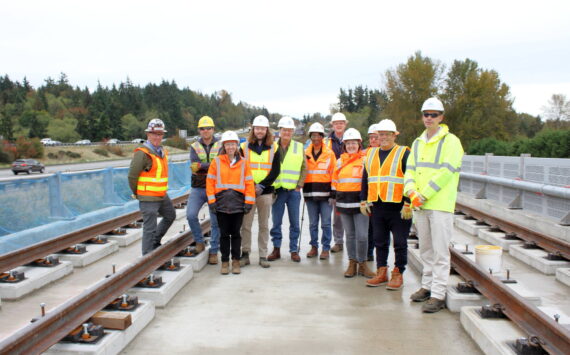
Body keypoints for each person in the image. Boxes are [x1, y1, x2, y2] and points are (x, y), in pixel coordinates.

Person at [405, 97, 464, 313]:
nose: (429, 118)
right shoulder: (417, 142)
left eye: (433, 114)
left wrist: (424, 193)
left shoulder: (452, 142)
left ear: (441, 117)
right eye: (426, 114)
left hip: (439, 205)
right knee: (427, 249)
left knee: (440, 251)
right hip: (420, 204)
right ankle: (427, 287)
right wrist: (411, 191)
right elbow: (410, 169)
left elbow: (446, 172)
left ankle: (438, 294)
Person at [361, 119, 412, 290]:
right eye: (380, 134)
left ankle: (398, 273)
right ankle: (381, 272)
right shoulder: (371, 155)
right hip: (378, 206)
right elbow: (365, 180)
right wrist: (363, 200)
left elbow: (411, 179)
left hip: (398, 208)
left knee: (399, 242)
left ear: (394, 135)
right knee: (379, 241)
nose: (383, 138)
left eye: (387, 134)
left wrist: (408, 202)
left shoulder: (403, 153)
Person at [206, 131, 255, 275]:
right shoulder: (216, 162)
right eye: (228, 144)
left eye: (233, 144)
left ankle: (235, 261)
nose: (230, 147)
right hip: (221, 204)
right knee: (224, 234)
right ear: (224, 146)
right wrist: (212, 201)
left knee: (236, 234)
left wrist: (249, 202)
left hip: (238, 204)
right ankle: (225, 262)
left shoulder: (244, 163)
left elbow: (249, 183)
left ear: (237, 146)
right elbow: (210, 182)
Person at [128, 118, 176, 255]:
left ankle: (155, 242)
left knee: (170, 215)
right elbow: (132, 176)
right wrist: (138, 193)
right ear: (148, 134)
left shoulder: (161, 151)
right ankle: (147, 260)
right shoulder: (142, 153)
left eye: (160, 134)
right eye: (154, 134)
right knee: (149, 228)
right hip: (148, 197)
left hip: (161, 195)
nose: (157, 137)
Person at [332, 128, 375, 278]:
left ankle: (363, 264)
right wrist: (334, 198)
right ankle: (352, 263)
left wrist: (369, 200)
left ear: (359, 144)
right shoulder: (339, 162)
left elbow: (370, 182)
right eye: (348, 143)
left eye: (354, 143)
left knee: (362, 235)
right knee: (350, 235)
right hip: (344, 204)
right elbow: (335, 182)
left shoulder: (365, 160)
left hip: (361, 204)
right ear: (344, 145)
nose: (351, 146)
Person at [239, 115, 281, 268]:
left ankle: (263, 255)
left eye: (262, 128)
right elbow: (240, 168)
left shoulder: (274, 147)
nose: (260, 131)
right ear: (253, 130)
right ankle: (245, 254)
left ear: (266, 130)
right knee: (246, 225)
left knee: (263, 225)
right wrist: (252, 185)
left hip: (266, 192)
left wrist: (262, 185)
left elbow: (275, 170)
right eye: (257, 128)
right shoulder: (243, 148)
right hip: (248, 192)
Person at [268, 116, 307, 262]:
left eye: (290, 130)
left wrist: (299, 185)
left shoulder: (298, 147)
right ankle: (276, 249)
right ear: (280, 131)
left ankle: (293, 250)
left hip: (293, 192)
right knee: (276, 222)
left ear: (292, 132)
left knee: (295, 223)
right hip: (277, 191)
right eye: (284, 130)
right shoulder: (272, 147)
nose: (287, 133)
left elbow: (304, 167)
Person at [187, 116, 222, 265]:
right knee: (190, 215)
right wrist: (209, 165)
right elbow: (195, 164)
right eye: (202, 128)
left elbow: (220, 164)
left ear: (213, 129)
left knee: (216, 222)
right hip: (198, 187)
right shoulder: (194, 146)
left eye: (208, 128)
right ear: (199, 130)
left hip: (215, 187)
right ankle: (199, 241)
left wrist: (202, 166)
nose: (205, 131)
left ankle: (214, 251)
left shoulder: (221, 145)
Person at [303, 122, 336, 260]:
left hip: (326, 195)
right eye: (313, 135)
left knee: (326, 223)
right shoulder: (305, 153)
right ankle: (314, 247)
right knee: (312, 224)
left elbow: (334, 173)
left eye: (318, 135)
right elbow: (302, 172)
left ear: (322, 136)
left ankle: (326, 248)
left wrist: (333, 192)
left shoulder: (329, 154)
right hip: (310, 194)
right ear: (310, 136)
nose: (316, 138)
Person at [325, 112, 347, 253]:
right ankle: (338, 242)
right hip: (332, 182)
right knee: (336, 215)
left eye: (341, 122)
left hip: (349, 181)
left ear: (345, 124)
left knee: (349, 214)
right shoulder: (327, 142)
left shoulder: (352, 138)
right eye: (336, 123)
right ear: (332, 125)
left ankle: (350, 240)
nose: (339, 125)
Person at [365, 123, 381, 262]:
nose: (373, 140)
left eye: (375, 137)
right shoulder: (365, 154)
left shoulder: (389, 153)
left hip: (384, 197)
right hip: (370, 197)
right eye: (371, 138)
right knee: (369, 228)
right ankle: (369, 252)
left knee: (381, 230)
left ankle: (380, 255)